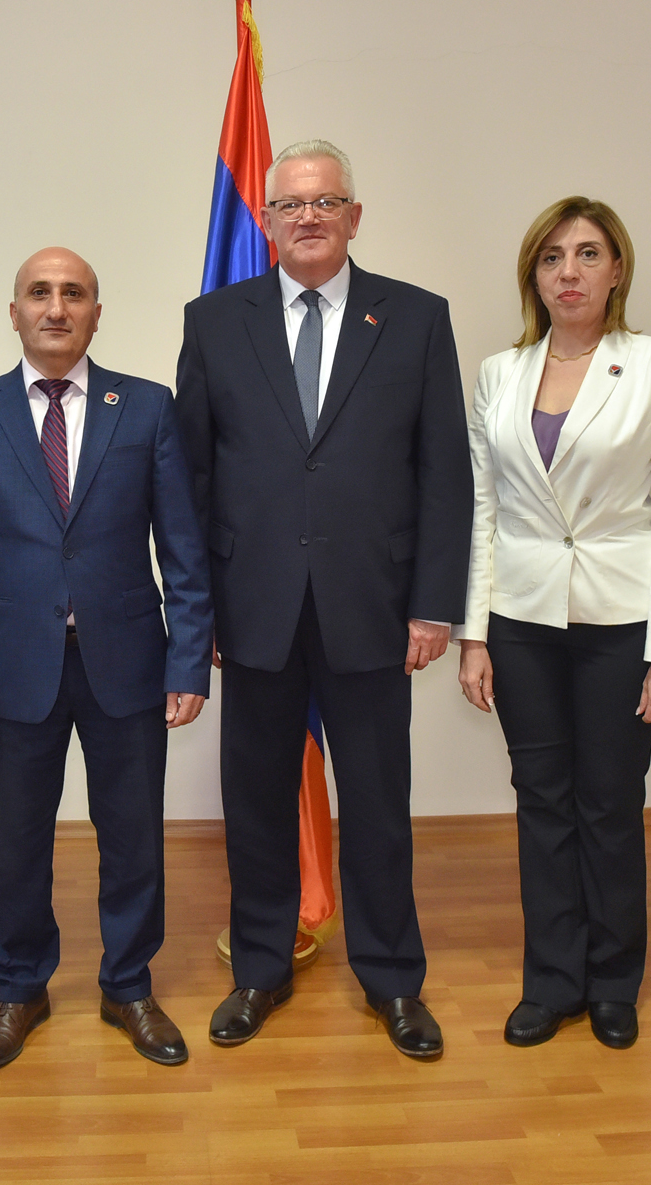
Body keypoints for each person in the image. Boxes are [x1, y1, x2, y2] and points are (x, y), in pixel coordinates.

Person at [176, 139, 472, 1059]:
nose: (308, 216)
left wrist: (434, 603)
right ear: (265, 220)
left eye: (326, 201)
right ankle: (260, 968)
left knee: (379, 805)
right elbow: (192, 477)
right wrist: (199, 610)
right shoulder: (214, 320)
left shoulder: (416, 317)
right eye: (291, 204)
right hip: (252, 605)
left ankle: (393, 980)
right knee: (256, 802)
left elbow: (445, 472)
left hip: (374, 607)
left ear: (354, 216)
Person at [0, 248, 214, 1071]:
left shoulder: (146, 408)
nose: (56, 307)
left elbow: (183, 550)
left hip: (129, 661)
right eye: (40, 293)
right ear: (13, 312)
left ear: (96, 313)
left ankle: (129, 985)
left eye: (74, 293)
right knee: (19, 839)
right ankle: (19, 988)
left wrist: (189, 660)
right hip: (18, 666)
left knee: (133, 837)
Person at [454, 198, 651, 1050]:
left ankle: (614, 982)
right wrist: (474, 636)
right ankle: (552, 981)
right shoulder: (499, 372)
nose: (570, 271)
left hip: (623, 620)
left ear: (617, 269)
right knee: (541, 800)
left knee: (610, 802)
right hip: (521, 618)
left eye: (589, 254)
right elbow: (484, 509)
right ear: (533, 275)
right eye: (553, 257)